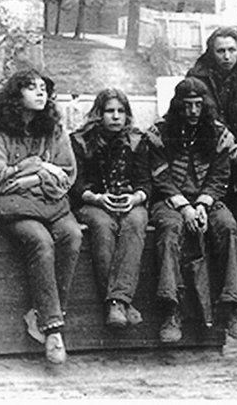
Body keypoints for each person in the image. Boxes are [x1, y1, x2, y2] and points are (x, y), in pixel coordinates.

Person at [0, 69, 82, 364]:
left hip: (51, 204)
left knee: (72, 235)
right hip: (13, 208)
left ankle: (43, 314)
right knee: (41, 240)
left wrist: (29, 176)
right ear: (15, 96)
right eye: (31, 87)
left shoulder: (54, 132)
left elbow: (66, 175)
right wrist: (39, 167)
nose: (40, 92)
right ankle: (53, 330)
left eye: (43, 88)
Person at [147, 77, 237, 343]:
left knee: (227, 226)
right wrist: (185, 208)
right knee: (170, 229)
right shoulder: (160, 133)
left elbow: (219, 176)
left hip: (207, 201)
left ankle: (230, 308)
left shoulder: (219, 134)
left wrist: (202, 204)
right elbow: (160, 176)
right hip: (169, 201)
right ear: (178, 105)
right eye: (187, 105)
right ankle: (171, 310)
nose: (193, 111)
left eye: (198, 105)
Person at [70, 88, 151, 329]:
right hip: (93, 202)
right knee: (103, 225)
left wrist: (135, 198)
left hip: (129, 202)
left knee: (136, 222)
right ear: (99, 113)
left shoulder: (137, 140)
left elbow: (146, 181)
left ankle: (116, 302)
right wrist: (96, 198)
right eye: (109, 111)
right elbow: (75, 182)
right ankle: (120, 301)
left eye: (121, 111)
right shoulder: (80, 141)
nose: (115, 116)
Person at [186, 27, 237, 251]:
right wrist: (221, 135)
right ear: (211, 52)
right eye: (220, 51)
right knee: (217, 188)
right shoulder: (196, 78)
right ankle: (213, 245)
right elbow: (195, 114)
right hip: (207, 145)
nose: (227, 56)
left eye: (232, 50)